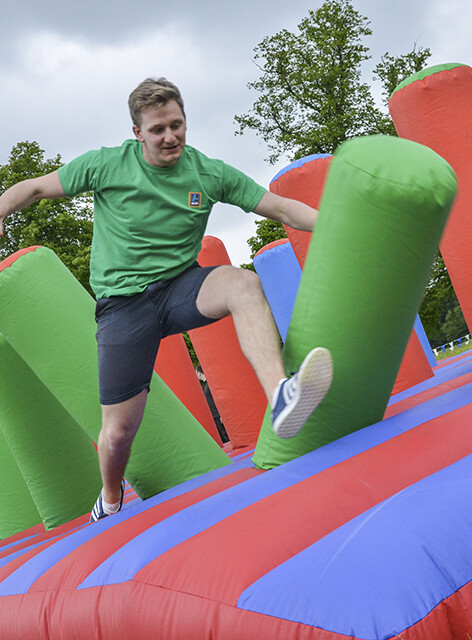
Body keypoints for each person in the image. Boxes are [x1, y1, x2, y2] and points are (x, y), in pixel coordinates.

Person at [0, 77, 333, 522]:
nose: (170, 136)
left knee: (243, 285)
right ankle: (111, 495)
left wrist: (334, 220)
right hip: (123, 306)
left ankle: (281, 395)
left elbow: (280, 207)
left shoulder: (208, 173)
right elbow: (36, 188)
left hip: (181, 286)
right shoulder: (106, 165)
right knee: (119, 433)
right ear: (138, 132)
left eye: (176, 125)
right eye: (158, 129)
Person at [195, 365, 229, 444]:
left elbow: (217, 400)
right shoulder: (206, 385)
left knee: (226, 436)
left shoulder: (209, 385)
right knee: (223, 438)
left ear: (199, 373)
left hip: (218, 416)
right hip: (215, 416)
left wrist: (222, 414)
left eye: (196, 372)